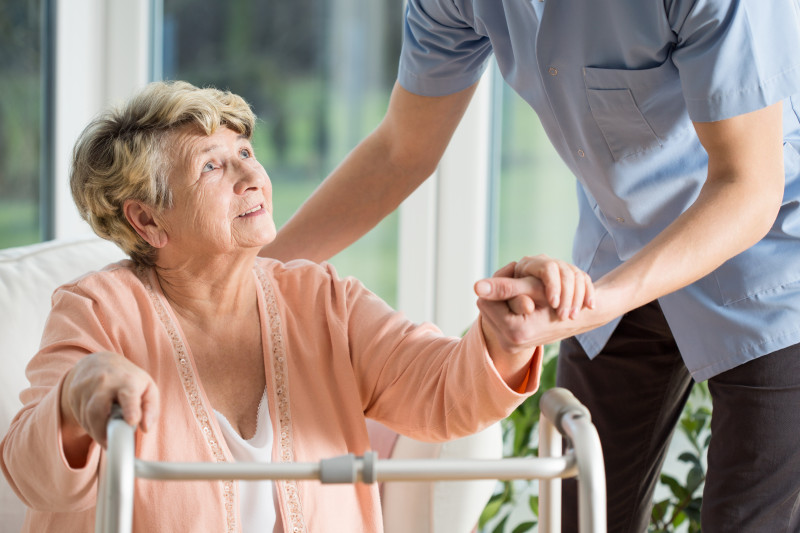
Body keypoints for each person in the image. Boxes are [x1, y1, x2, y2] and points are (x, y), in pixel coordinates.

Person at [261, 1, 800, 531]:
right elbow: (402, 149)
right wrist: (248, 278)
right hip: (619, 247)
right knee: (579, 510)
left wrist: (593, 305)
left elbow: (746, 186)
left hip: (772, 265)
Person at [0, 80, 595, 532]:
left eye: (246, 151)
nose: (251, 175)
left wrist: (507, 338)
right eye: (212, 165)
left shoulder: (321, 298)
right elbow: (32, 475)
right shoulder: (97, 310)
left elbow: (440, 389)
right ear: (148, 219)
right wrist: (77, 396)